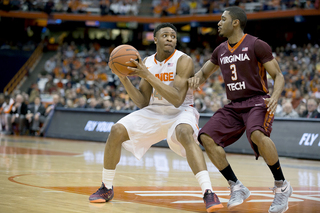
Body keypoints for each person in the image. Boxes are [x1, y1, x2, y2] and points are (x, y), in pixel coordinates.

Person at [89, 23, 223, 212]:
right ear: (155, 39)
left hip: (180, 111)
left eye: (173, 36)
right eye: (165, 35)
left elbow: (177, 99)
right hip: (153, 111)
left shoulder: (183, 60)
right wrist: (124, 79)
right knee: (116, 130)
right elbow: (143, 102)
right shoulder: (148, 62)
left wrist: (148, 75)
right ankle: (106, 187)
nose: (170, 38)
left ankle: (208, 192)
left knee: (185, 132)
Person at [188, 6, 292, 213]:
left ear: (235, 22)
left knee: (256, 134)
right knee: (205, 136)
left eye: (223, 19)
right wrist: (187, 79)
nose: (218, 23)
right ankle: (236, 185)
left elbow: (278, 75)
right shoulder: (220, 50)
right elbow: (202, 75)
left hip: (257, 101)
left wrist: (276, 97)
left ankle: (282, 186)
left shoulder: (257, 45)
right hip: (235, 105)